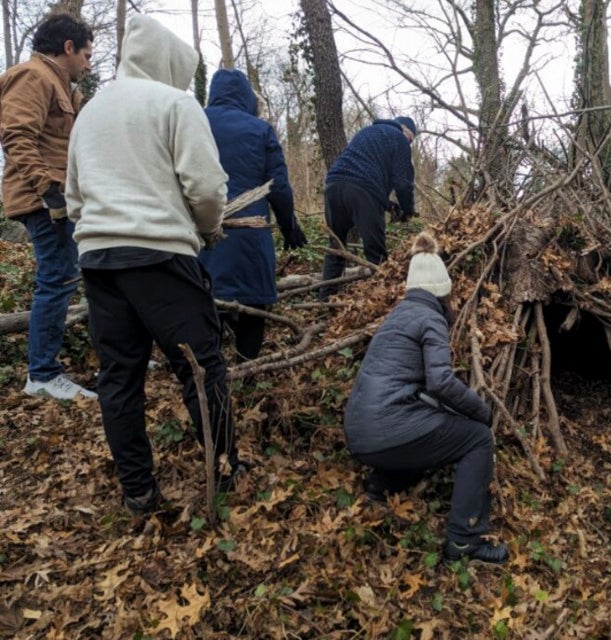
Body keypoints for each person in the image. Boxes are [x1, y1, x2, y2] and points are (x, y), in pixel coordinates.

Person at [66, 14, 246, 514]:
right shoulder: (175, 103)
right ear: (170, 64)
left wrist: (98, 231)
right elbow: (207, 188)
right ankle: (225, 467)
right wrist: (207, 228)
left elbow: (74, 195)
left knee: (120, 376)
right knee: (200, 365)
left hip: (99, 259)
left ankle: (139, 491)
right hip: (160, 254)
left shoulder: (91, 112)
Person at [343, 232, 508, 564]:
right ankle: (464, 541)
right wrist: (480, 412)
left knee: (428, 429)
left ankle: (382, 484)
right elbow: (441, 381)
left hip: (359, 434)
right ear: (443, 293)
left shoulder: (396, 318)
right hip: (388, 428)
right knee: (476, 438)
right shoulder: (430, 318)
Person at [0, 13, 96, 400]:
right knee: (56, 279)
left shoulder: (63, 87)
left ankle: (110, 354)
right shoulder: (33, 76)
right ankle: (41, 374)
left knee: (84, 273)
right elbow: (16, 134)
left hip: (62, 198)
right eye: (86, 54)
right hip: (43, 200)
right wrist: (49, 191)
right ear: (68, 48)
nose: (89, 64)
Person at [198, 68, 307, 362]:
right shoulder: (259, 129)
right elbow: (278, 186)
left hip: (199, 236)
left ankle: (212, 375)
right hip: (249, 235)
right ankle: (247, 375)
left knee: (206, 304)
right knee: (253, 309)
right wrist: (289, 226)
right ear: (247, 97)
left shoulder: (193, 122)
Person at [319, 116, 417, 300]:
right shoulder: (399, 138)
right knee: (375, 252)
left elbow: (364, 174)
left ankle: (325, 300)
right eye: (411, 139)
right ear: (405, 130)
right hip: (362, 190)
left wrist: (388, 205)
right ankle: (381, 301)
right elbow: (403, 183)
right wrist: (408, 210)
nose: (409, 143)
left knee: (336, 245)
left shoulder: (366, 132)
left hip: (333, 185)